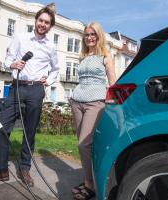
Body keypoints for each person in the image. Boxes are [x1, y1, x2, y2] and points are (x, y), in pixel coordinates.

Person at [0, 5, 59, 187]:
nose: (42, 24)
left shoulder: (50, 46)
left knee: (29, 132)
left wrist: (47, 81)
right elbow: (8, 60)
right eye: (41, 20)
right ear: (36, 20)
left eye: (47, 22)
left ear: (50, 26)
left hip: (36, 91)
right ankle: (1, 171)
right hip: (17, 87)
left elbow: (55, 69)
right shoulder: (20, 38)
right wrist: (13, 64)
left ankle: (25, 169)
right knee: (1, 127)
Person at [70, 22, 116, 200]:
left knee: (83, 144)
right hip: (77, 102)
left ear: (98, 36)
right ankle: (89, 179)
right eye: (87, 34)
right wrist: (72, 98)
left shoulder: (105, 57)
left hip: (95, 103)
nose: (89, 37)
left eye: (93, 34)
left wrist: (114, 106)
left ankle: (90, 184)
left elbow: (113, 83)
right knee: (85, 146)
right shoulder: (82, 57)